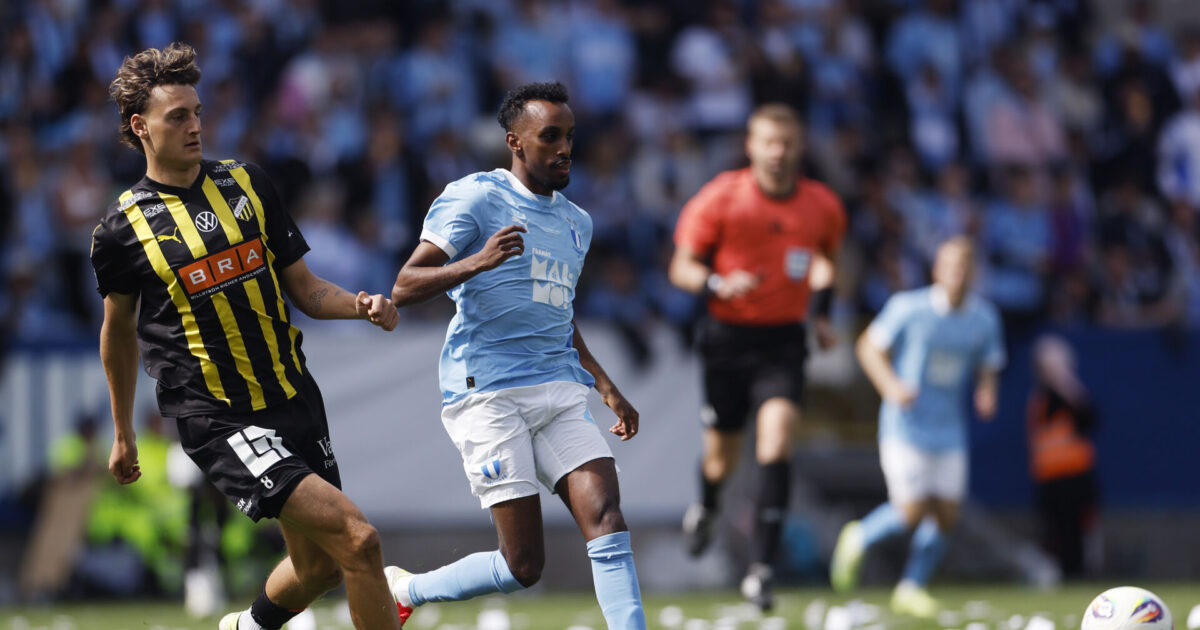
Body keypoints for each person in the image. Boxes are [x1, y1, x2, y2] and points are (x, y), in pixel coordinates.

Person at [90, 43, 405, 630]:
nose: (194, 126)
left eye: (197, 112)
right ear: (141, 127)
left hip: (290, 394)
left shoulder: (248, 183)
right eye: (177, 116)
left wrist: (360, 306)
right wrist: (122, 431)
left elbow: (305, 289)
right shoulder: (120, 230)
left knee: (319, 568)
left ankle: (247, 626)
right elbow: (119, 333)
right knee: (358, 542)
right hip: (219, 415)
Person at [386, 81, 647, 629]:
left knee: (608, 518)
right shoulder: (476, 197)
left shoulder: (578, 223)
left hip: (557, 389)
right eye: (549, 136)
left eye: (570, 136)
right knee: (523, 565)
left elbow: (556, 312)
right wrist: (475, 263)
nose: (564, 148)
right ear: (515, 142)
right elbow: (406, 285)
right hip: (489, 395)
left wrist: (604, 384)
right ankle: (407, 588)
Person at [669, 102, 847, 611]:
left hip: (784, 342)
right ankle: (706, 505)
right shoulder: (722, 198)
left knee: (777, 440)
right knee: (721, 455)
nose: (778, 152)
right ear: (751, 146)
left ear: (800, 148)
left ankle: (762, 569)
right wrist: (718, 281)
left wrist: (822, 313)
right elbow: (680, 268)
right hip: (727, 338)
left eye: (787, 142)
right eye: (769, 141)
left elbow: (827, 262)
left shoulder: (822, 206)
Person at [830, 236, 1005, 618]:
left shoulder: (984, 318)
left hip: (949, 428)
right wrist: (891, 385)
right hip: (905, 426)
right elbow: (868, 347)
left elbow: (989, 364)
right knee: (911, 511)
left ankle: (911, 587)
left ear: (973, 273)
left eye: (964, 268)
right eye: (951, 267)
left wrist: (987, 392)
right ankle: (859, 535)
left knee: (946, 515)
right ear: (936, 271)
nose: (958, 275)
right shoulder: (908, 308)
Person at [1027, 334, 1099, 579]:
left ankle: (1080, 572)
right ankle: (1062, 573)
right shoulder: (1041, 398)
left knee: (1079, 531)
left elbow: (1089, 418)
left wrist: (1064, 378)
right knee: (1055, 532)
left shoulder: (1073, 394)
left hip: (1076, 475)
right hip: (1050, 479)